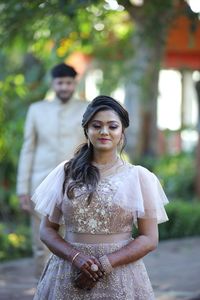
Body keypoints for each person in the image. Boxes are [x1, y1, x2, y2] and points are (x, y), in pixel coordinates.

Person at [32, 95, 169, 299]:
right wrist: (76, 258)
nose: (104, 132)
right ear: (87, 130)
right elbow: (46, 230)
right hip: (68, 272)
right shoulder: (66, 172)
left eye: (112, 126)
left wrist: (104, 265)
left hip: (121, 274)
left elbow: (149, 238)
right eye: (97, 126)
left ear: (122, 131)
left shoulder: (139, 177)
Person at [16, 63, 87, 277]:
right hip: (40, 183)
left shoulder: (88, 108)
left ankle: (69, 290)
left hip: (78, 182)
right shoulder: (37, 110)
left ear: (75, 83)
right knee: (41, 243)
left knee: (75, 241)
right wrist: (22, 188)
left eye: (68, 83)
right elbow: (28, 149)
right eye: (60, 83)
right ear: (53, 83)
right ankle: (43, 288)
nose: (64, 87)